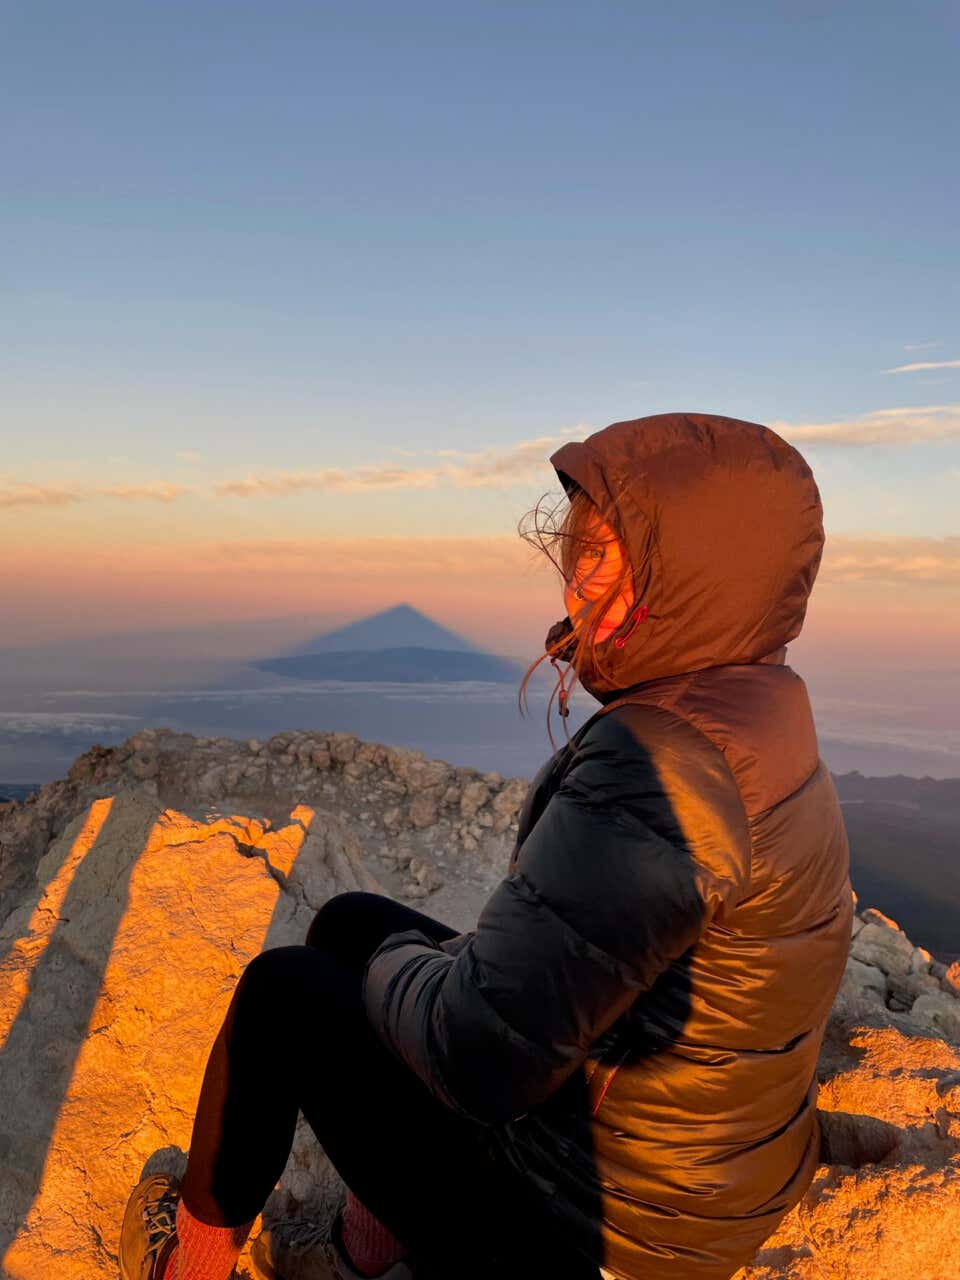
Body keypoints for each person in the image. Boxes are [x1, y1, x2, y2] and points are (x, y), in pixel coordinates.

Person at [120, 411, 852, 1280]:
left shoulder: (662, 762)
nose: (572, 589)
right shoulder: (759, 703)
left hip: (587, 1230)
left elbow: (479, 1064)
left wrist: (401, 964)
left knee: (283, 994)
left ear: (684, 577)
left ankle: (184, 1266)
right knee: (350, 920)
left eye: (598, 557)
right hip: (679, 1179)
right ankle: (368, 1252)